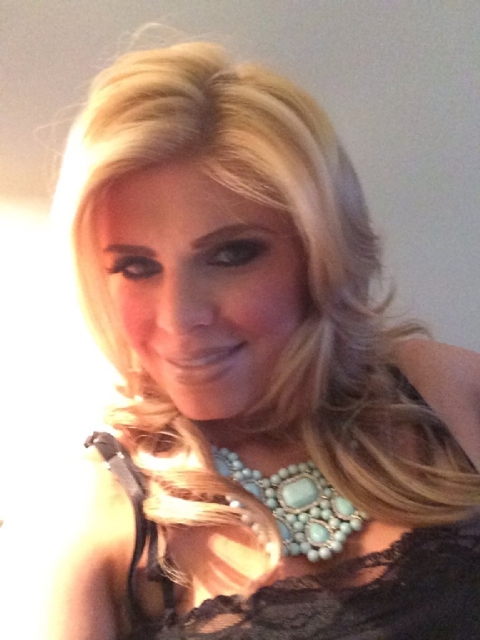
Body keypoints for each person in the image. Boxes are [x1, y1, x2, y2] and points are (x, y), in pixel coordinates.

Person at [3, 41, 480, 639]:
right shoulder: (90, 514)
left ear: (319, 252)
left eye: (231, 255)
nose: (179, 318)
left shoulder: (443, 392)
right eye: (136, 266)